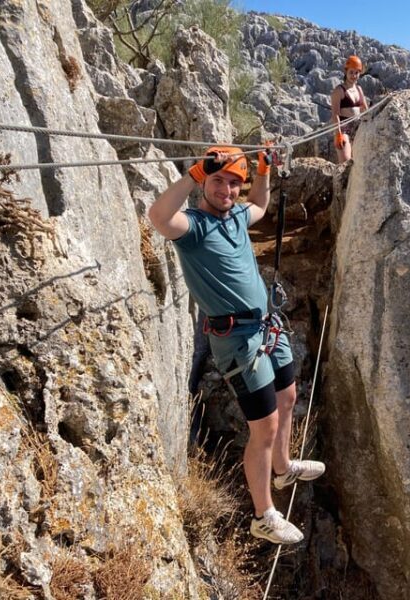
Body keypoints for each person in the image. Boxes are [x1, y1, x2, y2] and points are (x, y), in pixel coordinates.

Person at [148, 145, 325, 545]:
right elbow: (158, 217)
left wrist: (262, 169)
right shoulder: (192, 227)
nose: (226, 189)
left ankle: (283, 468)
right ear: (204, 184)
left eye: (233, 183)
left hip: (266, 327)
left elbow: (260, 204)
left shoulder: (236, 217)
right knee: (264, 427)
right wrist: (195, 173)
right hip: (238, 342)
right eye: (217, 181)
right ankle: (264, 515)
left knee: (288, 396)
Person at [331, 55, 369, 163]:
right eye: (351, 72)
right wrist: (338, 134)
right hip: (344, 129)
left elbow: (365, 110)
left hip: (359, 127)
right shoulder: (339, 91)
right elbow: (335, 114)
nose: (354, 75)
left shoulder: (359, 89)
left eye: (356, 73)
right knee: (346, 162)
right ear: (346, 71)